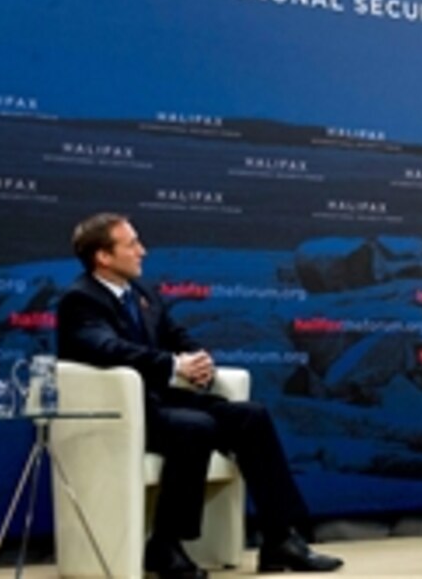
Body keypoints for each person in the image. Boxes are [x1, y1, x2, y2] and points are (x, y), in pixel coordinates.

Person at [57, 213, 343, 577]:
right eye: (131, 244)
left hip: (165, 403)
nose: (142, 251)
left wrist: (199, 360)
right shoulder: (80, 300)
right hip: (122, 412)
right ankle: (165, 544)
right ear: (103, 257)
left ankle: (279, 539)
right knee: (195, 427)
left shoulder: (142, 293)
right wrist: (174, 367)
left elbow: (177, 335)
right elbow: (106, 349)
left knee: (251, 416)